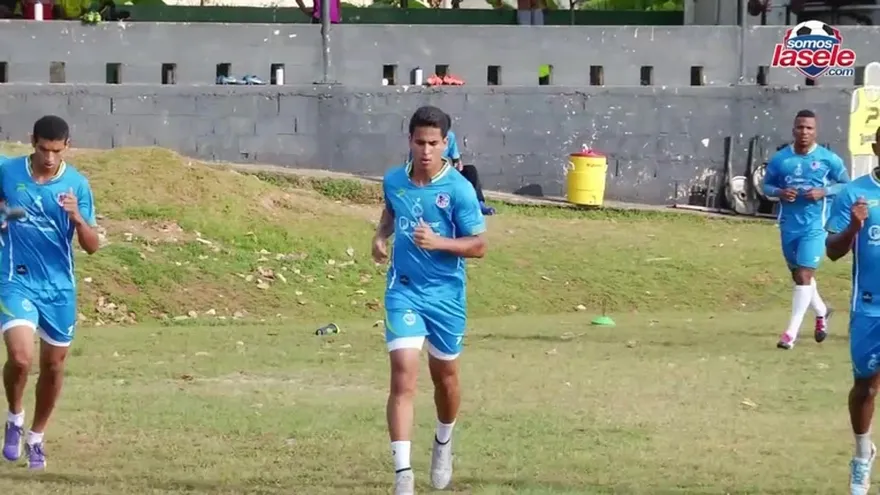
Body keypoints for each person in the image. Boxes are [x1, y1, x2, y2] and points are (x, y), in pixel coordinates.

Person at [372, 105, 488, 495]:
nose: (426, 150)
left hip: (445, 297)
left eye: (433, 143)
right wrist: (379, 237)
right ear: (410, 141)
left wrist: (439, 242)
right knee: (403, 374)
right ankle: (403, 476)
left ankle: (443, 441)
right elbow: (390, 213)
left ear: (445, 144)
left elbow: (479, 245)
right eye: (419, 142)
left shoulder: (458, 188)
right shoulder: (394, 180)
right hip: (403, 290)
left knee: (446, 379)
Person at [1, 115, 100, 470]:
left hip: (59, 289)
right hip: (14, 279)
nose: (49, 157)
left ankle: (36, 438)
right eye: (43, 149)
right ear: (32, 141)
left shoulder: (77, 185)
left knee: (54, 366)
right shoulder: (7, 170)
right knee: (22, 358)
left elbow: (92, 246)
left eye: (56, 151)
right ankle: (14, 416)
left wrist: (77, 219)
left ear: (67, 147)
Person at [762, 109, 849, 350]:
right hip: (789, 225)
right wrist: (780, 192)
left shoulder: (828, 159)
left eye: (809, 128)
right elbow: (766, 186)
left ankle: (790, 334)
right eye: (800, 127)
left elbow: (845, 184)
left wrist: (824, 191)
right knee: (798, 276)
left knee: (804, 275)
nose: (804, 132)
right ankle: (822, 312)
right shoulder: (781, 159)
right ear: (793, 130)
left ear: (815, 131)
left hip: (815, 226)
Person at [826, 125, 880, 495]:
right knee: (866, 387)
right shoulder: (855, 192)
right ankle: (862, 453)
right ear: (877, 146)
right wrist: (854, 227)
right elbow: (832, 250)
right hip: (869, 309)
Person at [408, 116, 496, 216]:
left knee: (470, 170)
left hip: (446, 172)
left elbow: (456, 159)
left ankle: (479, 204)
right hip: (428, 174)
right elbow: (413, 165)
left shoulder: (450, 137)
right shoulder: (422, 140)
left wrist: (457, 165)